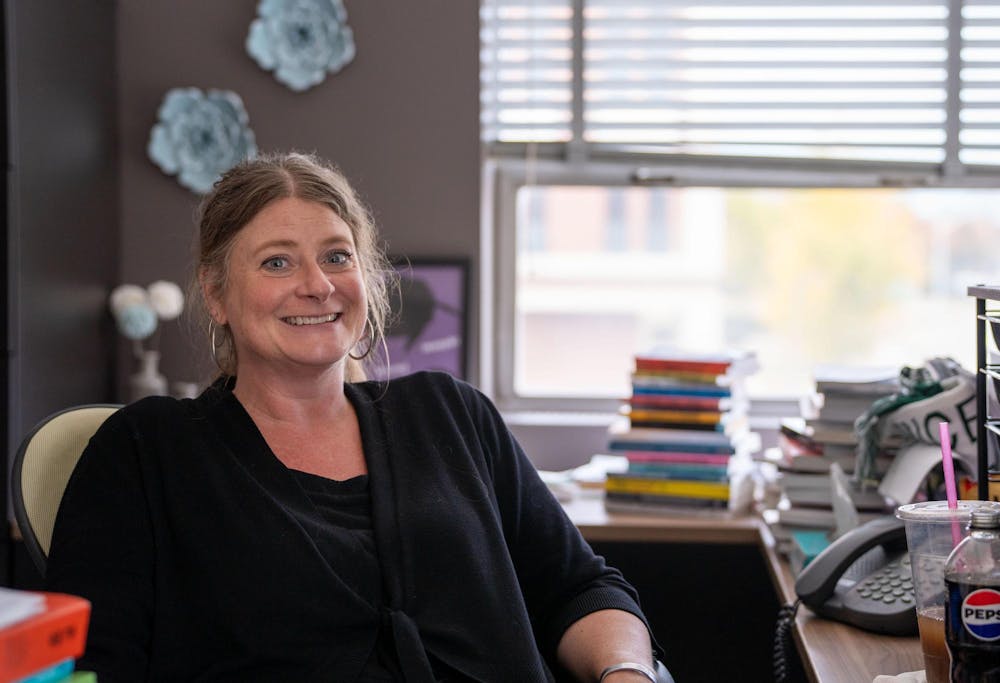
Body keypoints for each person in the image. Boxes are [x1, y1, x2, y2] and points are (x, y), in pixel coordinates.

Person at [45, 152, 661, 682]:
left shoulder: (452, 414)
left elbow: (582, 590)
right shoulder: (146, 451)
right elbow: (92, 663)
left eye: (337, 257)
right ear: (215, 293)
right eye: (277, 263)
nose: (317, 285)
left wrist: (626, 671)